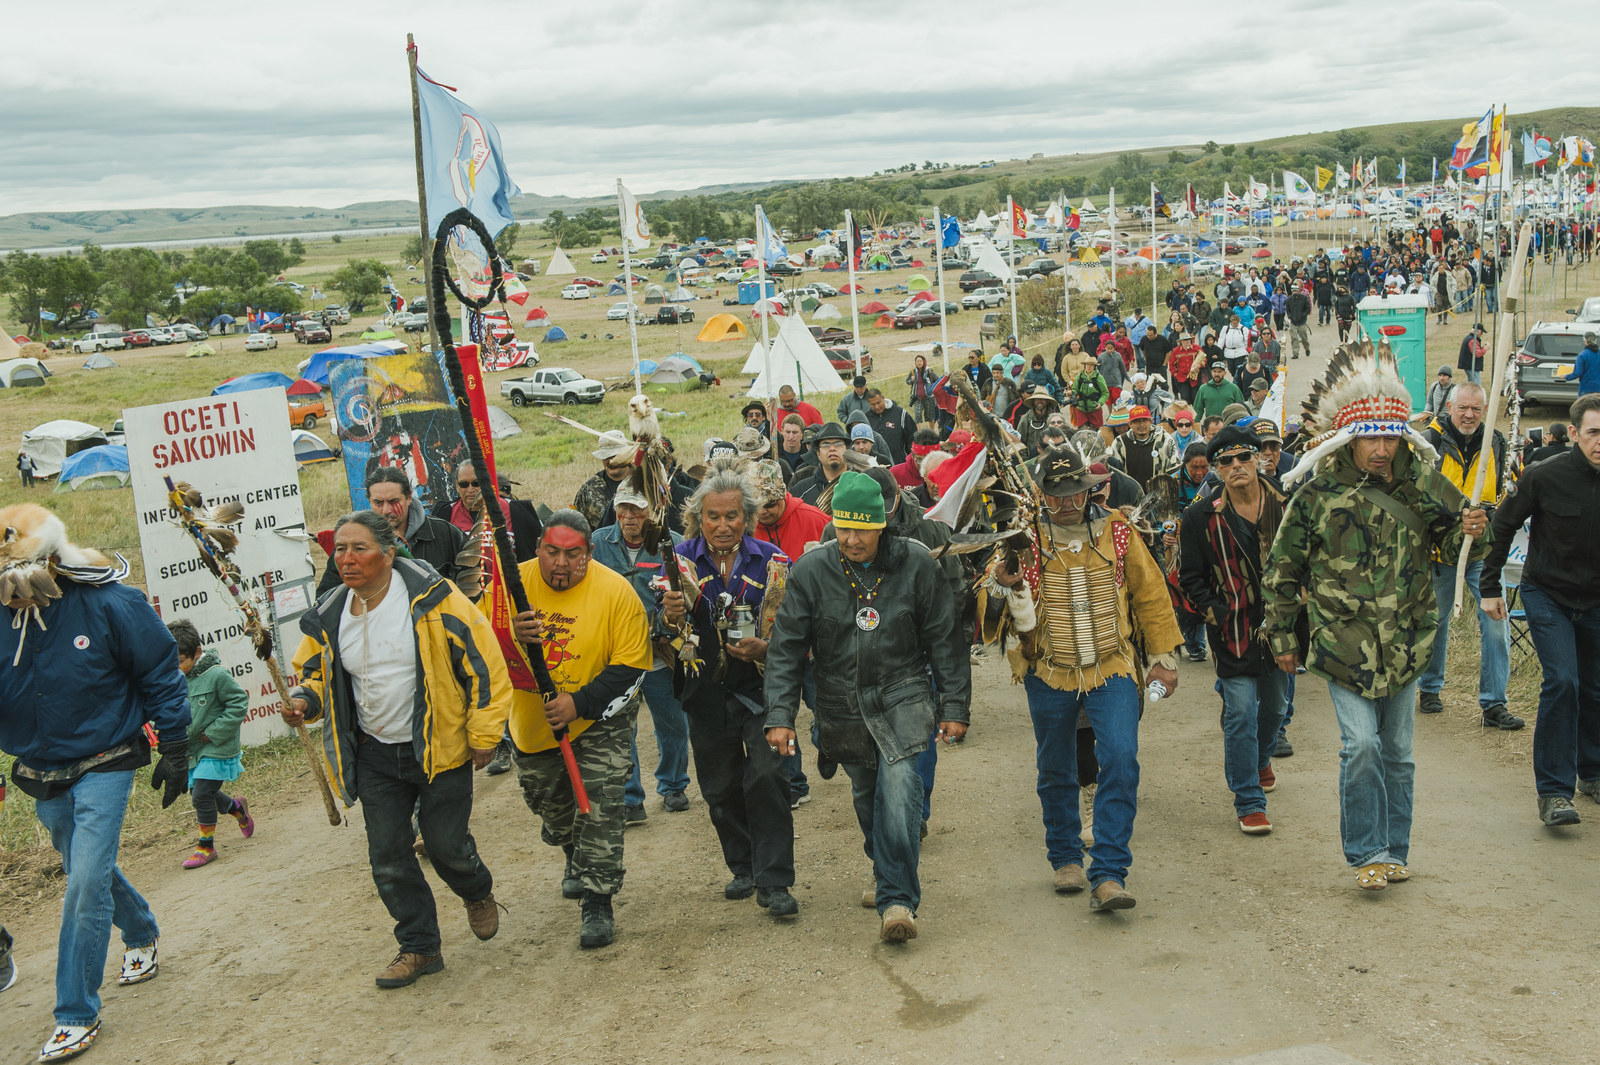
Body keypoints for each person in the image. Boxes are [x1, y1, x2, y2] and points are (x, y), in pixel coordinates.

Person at [1262, 345, 1490, 890]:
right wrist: (1281, 638)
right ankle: (1366, 852)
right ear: (1350, 439)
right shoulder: (1316, 495)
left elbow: (1454, 545)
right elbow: (1283, 570)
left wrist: (1473, 532)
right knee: (1360, 745)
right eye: (1372, 438)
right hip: (1342, 646)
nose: (1382, 449)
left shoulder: (1424, 482)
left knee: (1400, 755)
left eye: (1390, 438)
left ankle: (1395, 849)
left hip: (1409, 641)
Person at [287, 510, 512, 986]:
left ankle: (476, 889)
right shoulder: (331, 613)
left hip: (440, 748)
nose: (346, 559)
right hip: (374, 755)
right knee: (388, 856)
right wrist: (304, 702)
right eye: (340, 550)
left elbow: (484, 664)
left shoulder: (436, 600)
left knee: (446, 845)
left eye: (359, 549)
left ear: (389, 553)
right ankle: (420, 947)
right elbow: (314, 674)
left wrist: (485, 732)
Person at [0, 505, 191, 1062]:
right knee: (80, 858)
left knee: (83, 880)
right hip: (40, 765)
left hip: (107, 756)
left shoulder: (112, 603)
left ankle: (76, 1012)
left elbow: (159, 670)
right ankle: (141, 932)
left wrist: (175, 744)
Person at [765, 471, 970, 942]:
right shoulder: (811, 571)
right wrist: (779, 716)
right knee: (866, 793)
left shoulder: (918, 566)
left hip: (904, 695)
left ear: (883, 525)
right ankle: (884, 866)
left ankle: (897, 900)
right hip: (841, 702)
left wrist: (954, 706)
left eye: (862, 529)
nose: (851, 539)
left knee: (899, 788)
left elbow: (944, 640)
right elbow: (786, 649)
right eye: (843, 528)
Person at [989, 448, 1182, 910]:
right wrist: (1003, 583)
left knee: (1121, 755)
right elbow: (989, 610)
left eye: (1075, 492)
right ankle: (1064, 858)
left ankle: (1110, 872)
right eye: (1056, 496)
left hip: (1112, 664)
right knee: (1056, 766)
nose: (1068, 503)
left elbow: (1150, 592)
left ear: (1088, 487)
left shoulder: (1117, 528)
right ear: (1041, 494)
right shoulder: (1023, 537)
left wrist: (1162, 657)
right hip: (1048, 671)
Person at [507, 510, 653, 948]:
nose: (561, 564)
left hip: (599, 717)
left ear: (589, 553)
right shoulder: (510, 587)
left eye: (573, 554)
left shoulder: (616, 592)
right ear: (538, 550)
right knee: (551, 803)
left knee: (600, 802)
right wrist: (506, 631)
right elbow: (477, 644)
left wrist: (579, 703)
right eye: (552, 552)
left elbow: (631, 666)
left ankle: (597, 899)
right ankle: (573, 851)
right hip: (533, 721)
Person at [662, 469, 799, 918]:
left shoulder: (774, 561)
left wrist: (767, 647)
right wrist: (669, 618)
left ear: (749, 518)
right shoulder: (676, 562)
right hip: (704, 691)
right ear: (698, 518)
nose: (723, 525)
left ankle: (775, 881)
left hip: (762, 690)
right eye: (713, 516)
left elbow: (798, 632)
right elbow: (659, 636)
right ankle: (744, 866)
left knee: (767, 777)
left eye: (733, 516)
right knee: (719, 788)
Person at [1481, 394, 1600, 826]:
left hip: (1596, 600)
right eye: (1593, 433)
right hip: (1546, 592)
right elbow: (1502, 525)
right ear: (1573, 434)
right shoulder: (1542, 476)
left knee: (1595, 687)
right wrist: (1489, 585)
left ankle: (1592, 771)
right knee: (1563, 681)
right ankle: (1553, 792)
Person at [1178, 427, 1300, 834]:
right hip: (1232, 630)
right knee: (1242, 712)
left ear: (1259, 459)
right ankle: (1249, 798)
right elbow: (1189, 575)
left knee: (1276, 709)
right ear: (1217, 469)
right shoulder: (1200, 515)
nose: (1236, 466)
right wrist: (1211, 611)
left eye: (1243, 457)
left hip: (1282, 627)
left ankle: (1261, 757)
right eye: (1225, 462)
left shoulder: (1288, 504)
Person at [1416, 382, 1522, 730]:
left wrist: (1490, 517)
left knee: (1496, 622)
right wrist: (1450, 519)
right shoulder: (1430, 442)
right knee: (1438, 620)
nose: (1470, 415)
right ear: (1450, 408)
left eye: (1477, 409)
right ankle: (1429, 687)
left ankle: (1494, 704)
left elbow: (1509, 491)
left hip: (1483, 551)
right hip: (1440, 550)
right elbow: (1418, 495)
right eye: (1464, 408)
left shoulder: (1496, 441)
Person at [589, 486, 693, 818]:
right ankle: (630, 797)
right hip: (617, 654)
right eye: (623, 510)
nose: (630, 517)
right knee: (620, 726)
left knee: (673, 721)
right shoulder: (598, 543)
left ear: (652, 510)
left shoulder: (672, 542)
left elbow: (690, 591)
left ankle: (674, 786)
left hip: (662, 651)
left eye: (637, 510)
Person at [167, 619, 255, 869]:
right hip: (192, 749)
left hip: (216, 746)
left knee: (201, 794)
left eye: (181, 660)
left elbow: (238, 703)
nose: (177, 666)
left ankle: (206, 847)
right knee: (200, 792)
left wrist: (215, 731)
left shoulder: (216, 675)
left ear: (196, 652)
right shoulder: (175, 679)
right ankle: (237, 809)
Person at [316, 468, 469, 596]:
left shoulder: (446, 534)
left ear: (409, 498)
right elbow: (326, 598)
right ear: (369, 501)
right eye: (378, 503)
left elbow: (473, 584)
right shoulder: (351, 542)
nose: (386, 510)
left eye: (393, 502)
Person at [434, 461, 543, 563]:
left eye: (476, 483)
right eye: (464, 484)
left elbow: (534, 558)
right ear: (457, 486)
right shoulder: (444, 514)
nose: (470, 489)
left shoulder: (517, 511)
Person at [573, 431, 637, 533]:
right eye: (606, 456)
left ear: (626, 455)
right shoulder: (589, 488)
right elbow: (576, 527)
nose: (610, 460)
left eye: (615, 455)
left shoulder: (643, 481)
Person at [1108, 405, 1179, 491]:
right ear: (1130, 424)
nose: (1141, 425)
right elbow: (1115, 474)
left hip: (1159, 495)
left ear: (1151, 421)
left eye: (1145, 420)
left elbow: (1174, 470)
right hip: (1130, 496)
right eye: (1137, 421)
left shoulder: (1165, 440)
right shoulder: (1119, 443)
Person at [793, 422, 851, 506]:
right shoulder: (801, 491)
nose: (832, 448)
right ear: (818, 453)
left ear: (847, 450)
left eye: (838, 444)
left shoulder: (862, 487)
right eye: (826, 444)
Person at [865, 388, 915, 463]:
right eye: (873, 404)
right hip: (879, 467)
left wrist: (912, 459)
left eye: (878, 403)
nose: (877, 407)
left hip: (901, 463)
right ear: (868, 403)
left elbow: (912, 437)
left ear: (883, 398)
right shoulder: (867, 419)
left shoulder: (901, 414)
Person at [1563, 331, 1600, 395]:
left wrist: (1566, 377)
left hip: (1586, 389)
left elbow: (1578, 373)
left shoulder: (1582, 355)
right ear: (1595, 340)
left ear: (1585, 342)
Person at [905, 355, 939, 426]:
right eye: (917, 361)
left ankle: (931, 434)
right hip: (917, 398)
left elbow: (937, 380)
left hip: (929, 397)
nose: (919, 363)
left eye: (920, 361)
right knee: (917, 416)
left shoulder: (929, 371)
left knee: (931, 417)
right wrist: (911, 380)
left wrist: (932, 389)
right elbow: (907, 381)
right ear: (915, 363)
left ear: (923, 362)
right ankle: (919, 435)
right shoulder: (913, 372)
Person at [1286, 283, 1312, 360]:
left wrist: (1303, 315)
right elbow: (1287, 309)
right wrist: (1290, 316)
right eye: (1293, 291)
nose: (1294, 292)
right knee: (1294, 338)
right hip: (1293, 322)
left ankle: (1307, 348)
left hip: (1302, 321)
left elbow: (1308, 308)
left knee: (1304, 338)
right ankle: (1295, 353)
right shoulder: (1289, 299)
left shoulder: (1304, 298)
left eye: (1296, 290)